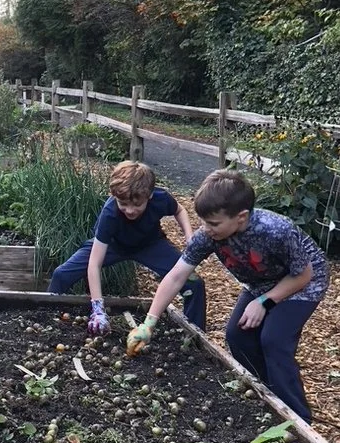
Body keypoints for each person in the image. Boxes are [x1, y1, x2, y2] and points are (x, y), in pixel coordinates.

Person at [127, 169, 329, 423]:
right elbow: (176, 276)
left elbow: (303, 275)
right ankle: (266, 394)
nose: (205, 230)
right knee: (237, 336)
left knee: (274, 340)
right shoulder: (208, 235)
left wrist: (264, 302)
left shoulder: (276, 230)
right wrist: (149, 323)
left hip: (304, 282)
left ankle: (298, 418)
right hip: (261, 283)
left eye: (213, 224)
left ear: (241, 217)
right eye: (202, 222)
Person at [48, 160, 206, 334]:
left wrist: (189, 236)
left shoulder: (160, 198)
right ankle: (50, 323)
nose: (130, 210)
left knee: (194, 284)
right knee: (61, 274)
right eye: (123, 204)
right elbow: (94, 264)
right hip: (113, 246)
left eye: (137, 205)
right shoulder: (110, 213)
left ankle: (194, 336)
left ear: (149, 196)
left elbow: (180, 210)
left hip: (151, 245)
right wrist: (98, 308)